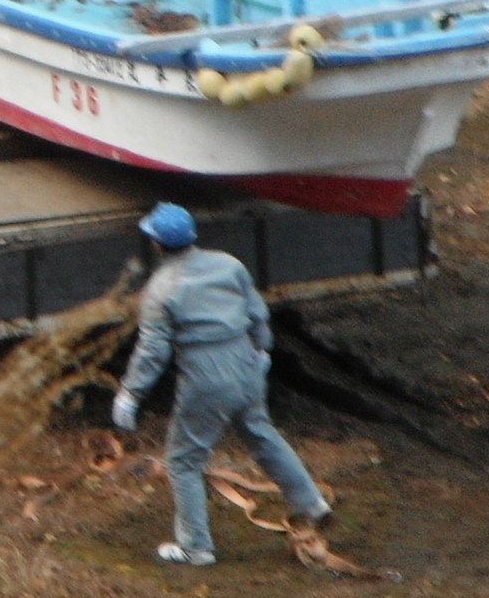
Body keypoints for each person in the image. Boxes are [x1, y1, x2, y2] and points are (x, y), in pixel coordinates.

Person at [111, 202, 332, 567]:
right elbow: (257, 312)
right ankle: (311, 503)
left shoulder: (161, 289)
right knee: (261, 434)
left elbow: (153, 351)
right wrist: (261, 348)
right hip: (246, 362)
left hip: (206, 375)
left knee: (183, 461)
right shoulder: (229, 265)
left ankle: (195, 547)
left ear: (157, 244)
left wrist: (131, 393)